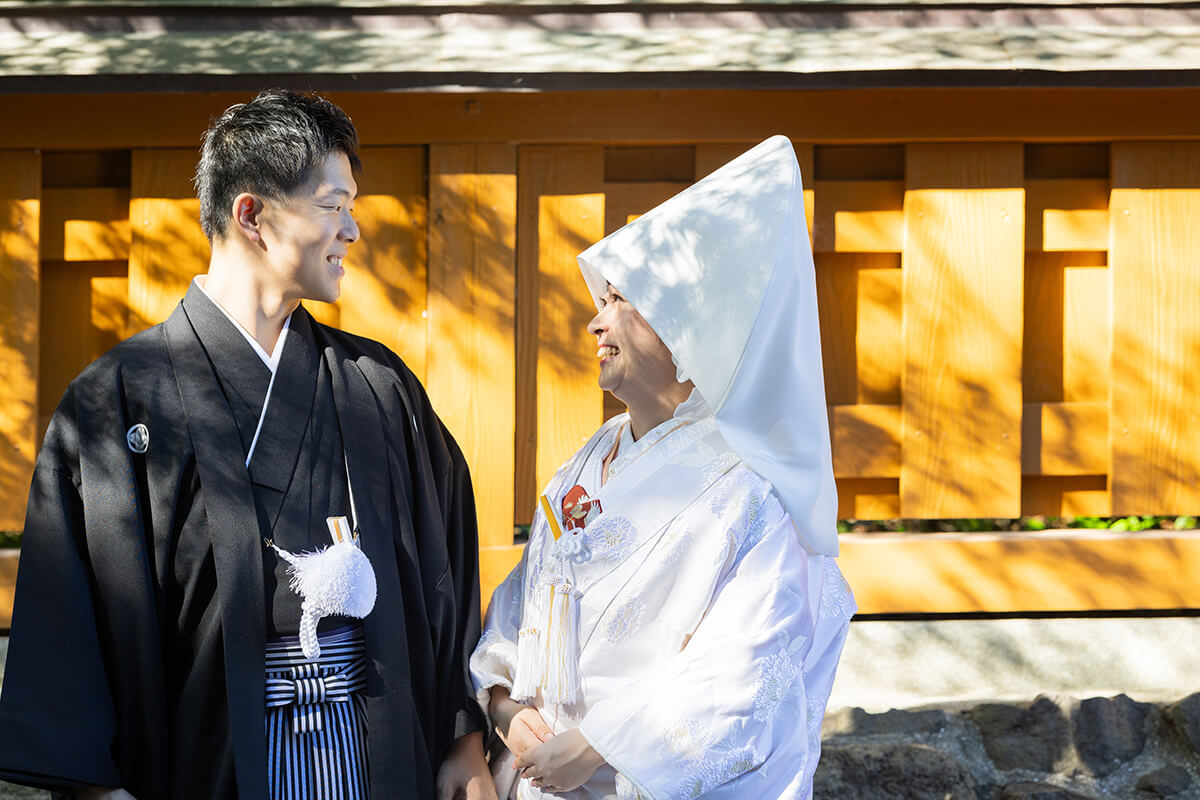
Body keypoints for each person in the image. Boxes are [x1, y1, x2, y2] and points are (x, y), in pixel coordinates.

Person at [0, 89, 494, 800]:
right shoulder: (116, 401)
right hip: (205, 763)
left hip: (374, 757)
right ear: (252, 215)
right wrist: (96, 790)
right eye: (333, 205)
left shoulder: (378, 387)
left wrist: (463, 739)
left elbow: (443, 568)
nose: (352, 229)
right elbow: (69, 615)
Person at [470, 135, 855, 799]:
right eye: (602, 302)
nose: (597, 322)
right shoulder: (582, 468)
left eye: (621, 301)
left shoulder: (751, 491)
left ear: (688, 332)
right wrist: (505, 707)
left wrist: (594, 746)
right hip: (538, 775)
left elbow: (743, 669)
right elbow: (520, 606)